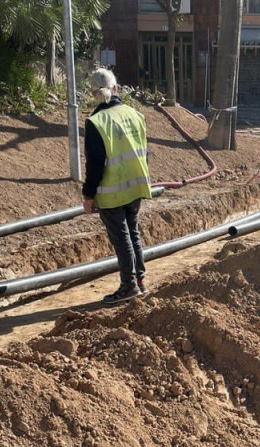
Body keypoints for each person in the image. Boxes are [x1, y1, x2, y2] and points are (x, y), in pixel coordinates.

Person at [82, 68, 152, 305]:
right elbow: (144, 152)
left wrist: (88, 195)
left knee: (121, 239)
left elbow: (95, 164)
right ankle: (139, 281)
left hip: (112, 192)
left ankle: (129, 286)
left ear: (93, 93)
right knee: (133, 233)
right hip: (136, 186)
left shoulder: (96, 122)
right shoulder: (135, 114)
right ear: (115, 88)